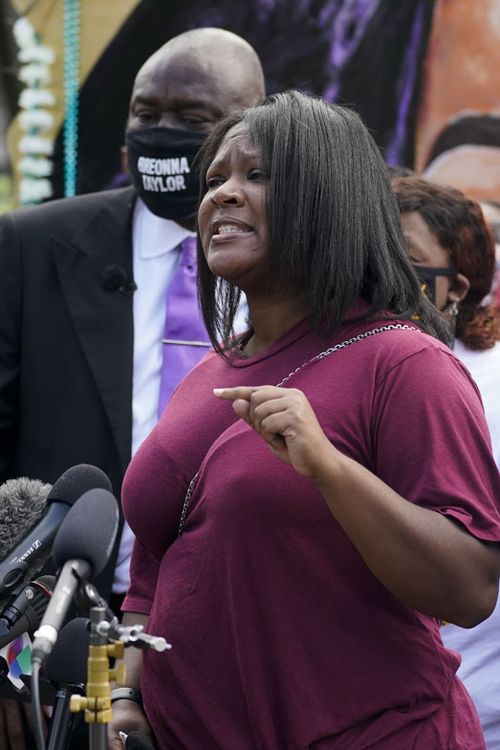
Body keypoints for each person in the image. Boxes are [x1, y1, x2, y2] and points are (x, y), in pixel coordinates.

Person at [112, 91, 500, 749]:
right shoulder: (213, 370)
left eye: (257, 175)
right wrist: (129, 694)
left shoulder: (405, 365)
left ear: (331, 199)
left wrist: (328, 467)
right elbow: (158, 554)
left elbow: (468, 588)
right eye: (216, 180)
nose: (222, 196)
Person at [0, 27, 265, 608]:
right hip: (59, 626)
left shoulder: (308, 261)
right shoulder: (31, 244)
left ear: (255, 127)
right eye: (146, 113)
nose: (162, 133)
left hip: (240, 619)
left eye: (191, 116)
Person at [392, 175, 500, 748]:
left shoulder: (491, 385)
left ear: (456, 287)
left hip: (470, 706)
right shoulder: (354, 361)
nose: (381, 277)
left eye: (404, 262)